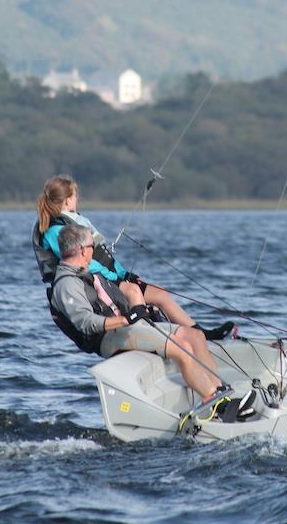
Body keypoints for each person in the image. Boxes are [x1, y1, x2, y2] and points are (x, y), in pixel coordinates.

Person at [51, 223, 254, 421]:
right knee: (181, 348)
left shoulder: (85, 272)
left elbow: (113, 294)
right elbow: (86, 323)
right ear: (80, 250)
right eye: (91, 247)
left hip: (126, 327)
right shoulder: (67, 284)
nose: (93, 251)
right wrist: (125, 319)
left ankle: (220, 391)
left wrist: (136, 305)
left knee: (195, 335)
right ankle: (215, 402)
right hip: (108, 338)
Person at [36, 175, 233, 340]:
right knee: (133, 292)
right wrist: (116, 278)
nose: (77, 199)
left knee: (160, 295)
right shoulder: (54, 230)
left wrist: (123, 273)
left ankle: (201, 335)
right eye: (75, 195)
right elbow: (82, 262)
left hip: (108, 275)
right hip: (88, 282)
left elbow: (103, 256)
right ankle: (146, 340)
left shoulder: (73, 221)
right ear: (67, 200)